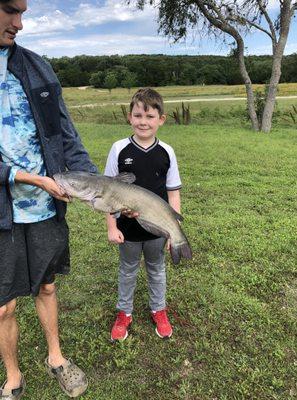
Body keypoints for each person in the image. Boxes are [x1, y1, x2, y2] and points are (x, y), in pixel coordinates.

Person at [0, 1, 97, 398]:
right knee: (4, 306)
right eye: (9, 10)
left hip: (43, 209)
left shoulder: (38, 67)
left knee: (48, 288)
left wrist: (100, 186)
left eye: (22, 12)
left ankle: (55, 357)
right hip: (2, 212)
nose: (19, 23)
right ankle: (13, 375)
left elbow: (66, 137)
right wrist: (29, 178)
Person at [105, 87, 182, 341]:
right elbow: (105, 193)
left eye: (150, 117)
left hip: (157, 227)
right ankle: (124, 313)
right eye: (138, 115)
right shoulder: (119, 149)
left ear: (162, 119)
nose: (143, 122)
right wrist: (111, 227)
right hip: (126, 228)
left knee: (156, 268)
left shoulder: (167, 152)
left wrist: (174, 231)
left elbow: (173, 193)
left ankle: (158, 309)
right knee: (127, 270)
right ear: (130, 117)